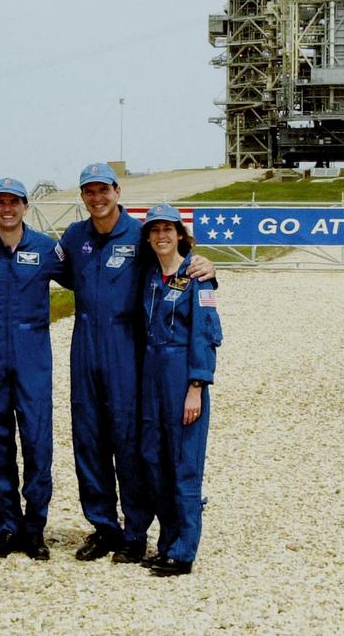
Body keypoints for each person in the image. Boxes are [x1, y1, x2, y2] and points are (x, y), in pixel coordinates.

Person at [54, 163, 214, 564]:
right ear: (82, 196)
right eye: (88, 191)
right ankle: (102, 525)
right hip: (85, 347)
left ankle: (134, 530)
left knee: (130, 443)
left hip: (128, 350)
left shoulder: (139, 237)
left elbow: (174, 263)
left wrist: (207, 267)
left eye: (103, 190)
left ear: (117, 191)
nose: (97, 198)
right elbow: (47, 266)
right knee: (89, 440)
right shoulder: (75, 237)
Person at [0, 178, 61, 561]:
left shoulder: (46, 248)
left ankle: (34, 529)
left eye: (14, 202)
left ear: (25, 206)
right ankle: (6, 527)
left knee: (37, 443)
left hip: (32, 357)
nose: (7, 209)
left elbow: (87, 274)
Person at [136, 203, 220, 577]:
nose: (161, 236)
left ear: (181, 235)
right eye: (154, 230)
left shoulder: (198, 277)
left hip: (183, 377)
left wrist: (196, 387)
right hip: (151, 377)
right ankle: (167, 541)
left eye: (168, 229)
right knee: (155, 462)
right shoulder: (151, 277)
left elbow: (205, 335)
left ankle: (184, 551)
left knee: (185, 466)